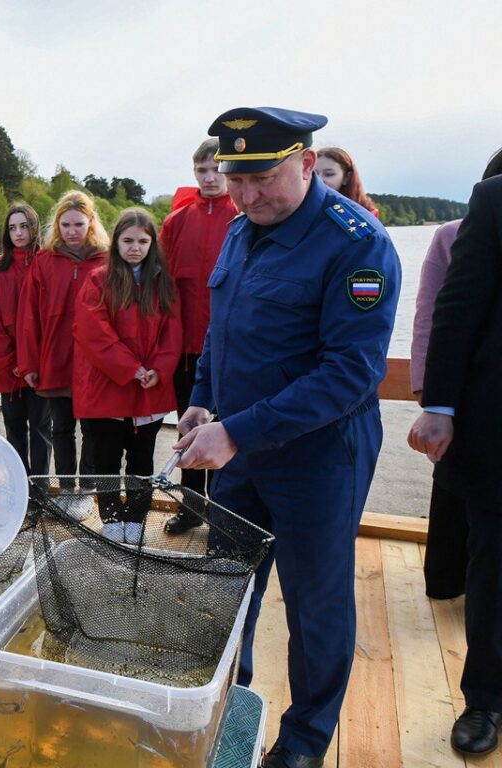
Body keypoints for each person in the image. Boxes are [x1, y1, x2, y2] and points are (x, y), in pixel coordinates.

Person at [173, 107, 400, 768]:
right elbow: (223, 330)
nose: (246, 196)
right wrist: (202, 400)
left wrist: (236, 432)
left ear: (307, 163)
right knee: (227, 585)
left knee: (316, 603)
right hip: (240, 452)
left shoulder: (357, 243)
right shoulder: (243, 231)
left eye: (263, 179)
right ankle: (223, 701)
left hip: (320, 460)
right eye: (236, 180)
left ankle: (304, 741)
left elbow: (351, 374)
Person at [407, 165, 502, 758]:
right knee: (494, 565)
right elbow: (457, 307)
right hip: (499, 422)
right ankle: (486, 696)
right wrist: (438, 405)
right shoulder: (494, 200)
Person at [410, 148, 502, 601]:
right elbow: (441, 314)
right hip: (477, 404)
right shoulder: (471, 220)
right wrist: (434, 398)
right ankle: (447, 583)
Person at [74, 208, 181, 541]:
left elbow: (172, 333)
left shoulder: (162, 283)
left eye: (143, 241)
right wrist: (129, 367)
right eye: (128, 240)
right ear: (116, 241)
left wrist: (158, 370)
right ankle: (110, 517)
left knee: (141, 461)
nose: (135, 247)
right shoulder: (98, 279)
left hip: (147, 390)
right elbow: (94, 331)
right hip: (108, 387)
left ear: (152, 244)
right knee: (106, 459)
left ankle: (136, 517)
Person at [159, 138, 240, 534]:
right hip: (187, 351)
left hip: (236, 349)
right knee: (188, 433)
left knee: (233, 433)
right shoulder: (176, 222)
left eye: (216, 170)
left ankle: (226, 513)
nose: (210, 179)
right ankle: (191, 509)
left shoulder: (243, 216)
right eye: (202, 171)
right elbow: (159, 290)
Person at [17, 190, 109, 477]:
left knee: (94, 430)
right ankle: (67, 488)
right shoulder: (45, 261)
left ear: (91, 222)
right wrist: (29, 364)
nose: (71, 231)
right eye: (65, 225)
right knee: (62, 428)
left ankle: (89, 486)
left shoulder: (106, 260)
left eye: (78, 224)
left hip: (95, 363)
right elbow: (28, 317)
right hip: (56, 358)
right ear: (57, 226)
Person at [0, 202, 51, 474]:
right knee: (13, 426)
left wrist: (33, 361)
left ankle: (41, 486)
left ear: (34, 228)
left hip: (39, 364)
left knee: (41, 426)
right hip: (7, 366)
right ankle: (20, 484)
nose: (19, 233)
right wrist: (11, 361)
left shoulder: (46, 263)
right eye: (12, 228)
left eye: (24, 226)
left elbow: (49, 319)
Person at [315, 147, 379, 217]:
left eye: (329, 174)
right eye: (314, 174)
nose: (319, 179)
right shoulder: (304, 209)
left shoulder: (365, 215)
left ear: (346, 177)